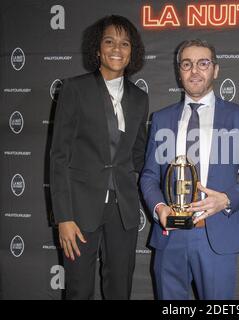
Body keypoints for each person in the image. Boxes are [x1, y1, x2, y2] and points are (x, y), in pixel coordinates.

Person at [140, 39, 239, 300]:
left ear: (215, 70)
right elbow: (150, 176)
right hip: (169, 237)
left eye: (203, 63)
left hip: (217, 237)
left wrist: (226, 200)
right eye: (187, 64)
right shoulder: (161, 118)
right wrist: (159, 208)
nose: (194, 70)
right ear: (179, 71)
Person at [50, 15, 149, 299]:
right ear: (97, 49)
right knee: (79, 291)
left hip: (123, 210)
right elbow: (58, 157)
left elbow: (138, 152)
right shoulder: (74, 89)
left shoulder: (139, 98)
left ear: (132, 53)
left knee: (120, 289)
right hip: (79, 211)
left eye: (125, 43)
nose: (117, 48)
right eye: (109, 41)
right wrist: (63, 217)